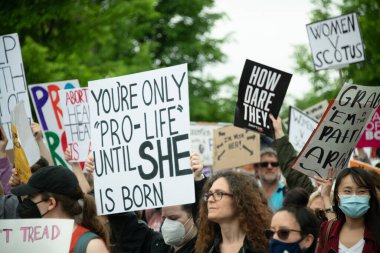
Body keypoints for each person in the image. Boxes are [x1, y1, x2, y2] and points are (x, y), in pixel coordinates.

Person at [11, 165, 110, 253]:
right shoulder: (32, 243)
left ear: (51, 203)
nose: (26, 202)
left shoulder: (91, 246)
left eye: (31, 197)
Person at [195, 170, 272, 253]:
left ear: (239, 200)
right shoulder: (207, 248)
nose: (210, 200)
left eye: (219, 193)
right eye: (209, 194)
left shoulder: (264, 246)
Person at [255, 115, 315, 212]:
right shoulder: (251, 197)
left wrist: (279, 133)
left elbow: (295, 176)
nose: (269, 167)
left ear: (280, 167)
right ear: (257, 168)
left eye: (274, 164)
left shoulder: (293, 195)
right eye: (264, 164)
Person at [317, 167, 380, 252]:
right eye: (347, 191)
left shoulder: (377, 234)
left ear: (370, 196)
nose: (354, 197)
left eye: (361, 191)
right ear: (337, 197)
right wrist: (326, 196)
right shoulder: (327, 229)